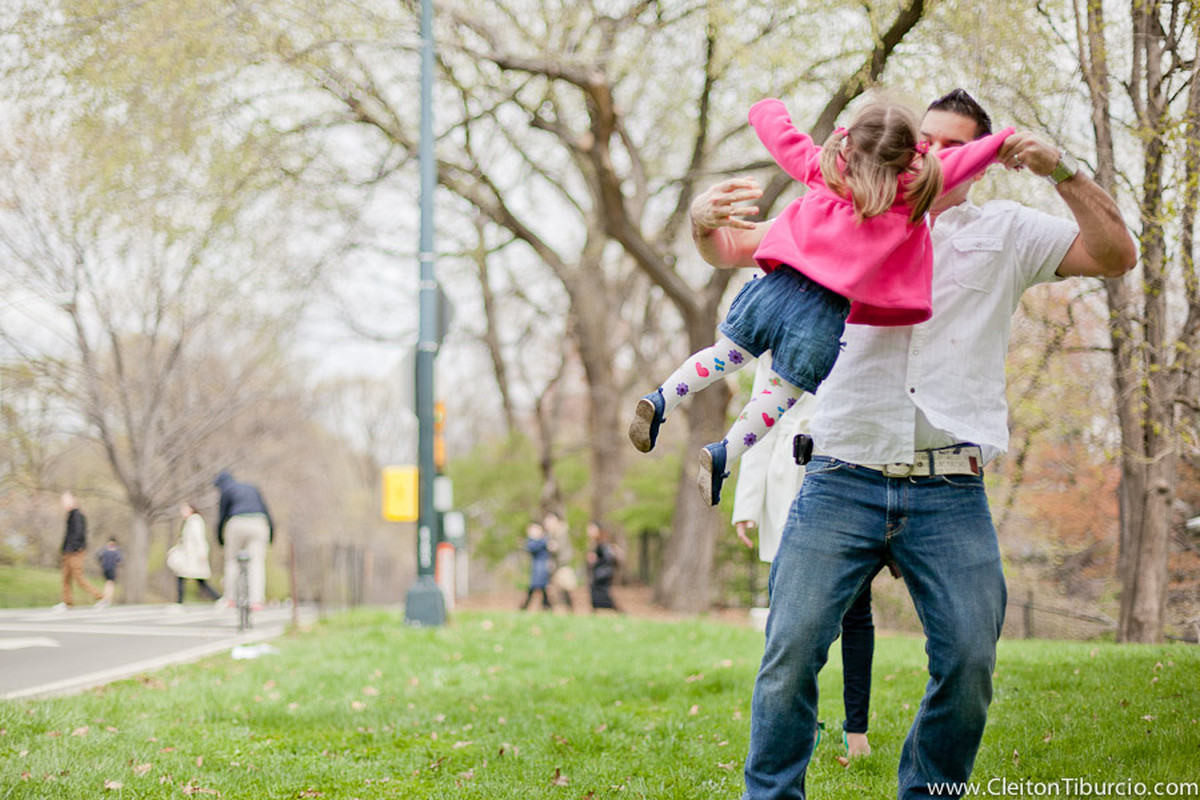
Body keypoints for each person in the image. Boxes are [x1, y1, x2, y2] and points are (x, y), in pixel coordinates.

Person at [691, 89, 1136, 799]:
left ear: (980, 163)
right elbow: (730, 247)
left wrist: (1063, 171)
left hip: (949, 488)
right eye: (920, 139)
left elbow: (1116, 255)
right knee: (791, 652)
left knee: (968, 659)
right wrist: (699, 222)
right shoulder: (841, 206)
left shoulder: (1007, 233)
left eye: (950, 145)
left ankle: (931, 790)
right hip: (840, 474)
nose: (927, 154)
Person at [630, 95, 1015, 505]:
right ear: (910, 156)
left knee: (725, 354)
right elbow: (961, 163)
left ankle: (661, 398)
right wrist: (1003, 141)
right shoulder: (908, 193)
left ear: (850, 142)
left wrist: (766, 107)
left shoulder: (825, 169)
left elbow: (783, 138)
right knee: (781, 392)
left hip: (775, 288)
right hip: (822, 315)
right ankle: (726, 452)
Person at [731, 357, 874, 758]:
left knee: (857, 609)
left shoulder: (861, 321)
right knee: (792, 615)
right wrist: (747, 504)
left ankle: (857, 726)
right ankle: (801, 721)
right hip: (788, 476)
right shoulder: (781, 337)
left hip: (853, 474)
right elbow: (759, 416)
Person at [213, 471, 274, 609]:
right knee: (256, 562)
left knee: (232, 560)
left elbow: (222, 517)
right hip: (259, 522)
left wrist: (220, 539)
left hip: (237, 522)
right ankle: (256, 601)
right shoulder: (252, 488)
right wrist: (271, 533)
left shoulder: (227, 490)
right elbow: (266, 511)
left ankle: (231, 598)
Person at [55, 491, 106, 610]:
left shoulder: (77, 515)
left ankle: (101, 598)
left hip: (75, 551)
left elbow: (78, 534)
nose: (64, 504)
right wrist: (64, 549)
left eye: (66, 501)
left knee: (79, 578)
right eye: (63, 501)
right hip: (68, 551)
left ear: (73, 501)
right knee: (66, 578)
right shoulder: (71, 515)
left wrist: (74, 549)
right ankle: (67, 602)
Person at [166, 503, 220, 605]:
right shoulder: (189, 522)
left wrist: (202, 554)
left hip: (193, 556)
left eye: (185, 510)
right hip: (188, 556)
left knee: (198, 580)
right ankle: (179, 601)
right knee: (184, 577)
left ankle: (217, 598)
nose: (182, 513)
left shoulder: (195, 521)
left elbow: (198, 539)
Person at [585, 521, 623, 613]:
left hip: (603, 573)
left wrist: (596, 560)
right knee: (596, 593)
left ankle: (617, 611)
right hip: (600, 572)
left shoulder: (603, 543)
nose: (589, 531)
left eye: (592, 529)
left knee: (602, 594)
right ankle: (595, 611)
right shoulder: (595, 543)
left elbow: (608, 558)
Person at [544, 511, 578, 612]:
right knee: (555, 593)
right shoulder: (550, 534)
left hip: (562, 566)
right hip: (554, 567)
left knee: (566, 590)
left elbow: (565, 551)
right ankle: (560, 611)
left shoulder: (561, 533)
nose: (548, 522)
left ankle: (570, 610)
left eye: (550, 520)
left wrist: (555, 547)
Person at [519, 521, 554, 611]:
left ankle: (545, 607)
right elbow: (531, 548)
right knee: (536, 587)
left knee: (540, 587)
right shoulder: (534, 541)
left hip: (543, 566)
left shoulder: (542, 540)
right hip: (536, 566)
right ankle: (545, 607)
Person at [96, 537, 123, 606]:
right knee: (110, 584)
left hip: (106, 568)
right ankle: (108, 598)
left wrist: (101, 563)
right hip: (111, 569)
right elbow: (120, 560)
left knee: (107, 583)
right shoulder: (116, 551)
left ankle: (106, 597)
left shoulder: (104, 550)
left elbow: (98, 556)